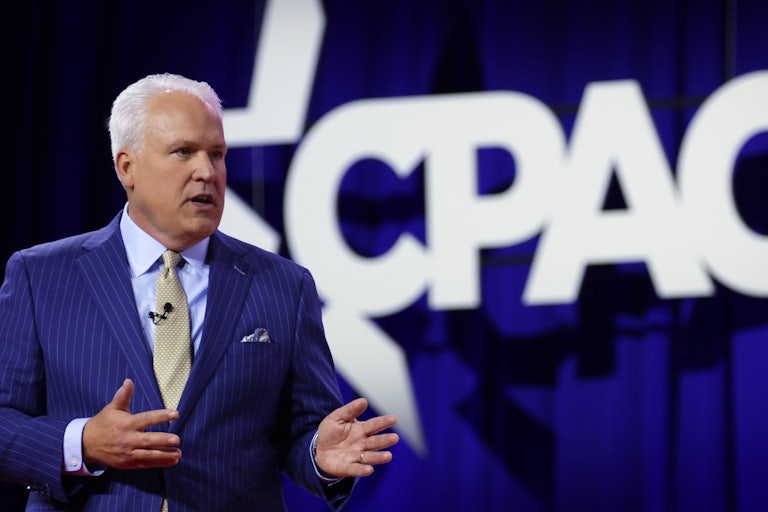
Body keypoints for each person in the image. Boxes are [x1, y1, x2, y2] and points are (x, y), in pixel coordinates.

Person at [0, 73, 399, 511]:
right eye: (183, 152)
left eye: (217, 154)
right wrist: (82, 444)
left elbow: (302, 430)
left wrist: (318, 456)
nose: (207, 172)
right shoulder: (41, 276)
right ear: (126, 167)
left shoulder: (285, 285)